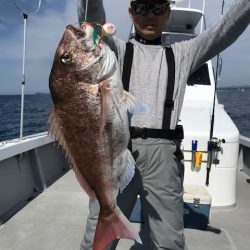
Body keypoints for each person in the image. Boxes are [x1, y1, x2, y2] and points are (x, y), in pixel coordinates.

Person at [77, 0, 250, 249]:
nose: (150, 15)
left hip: (164, 155)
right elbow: (92, 19)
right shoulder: (116, 49)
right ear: (130, 13)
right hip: (118, 151)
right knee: (96, 240)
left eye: (158, 8)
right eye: (142, 8)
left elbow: (224, 30)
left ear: (167, 13)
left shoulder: (183, 53)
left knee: (169, 242)